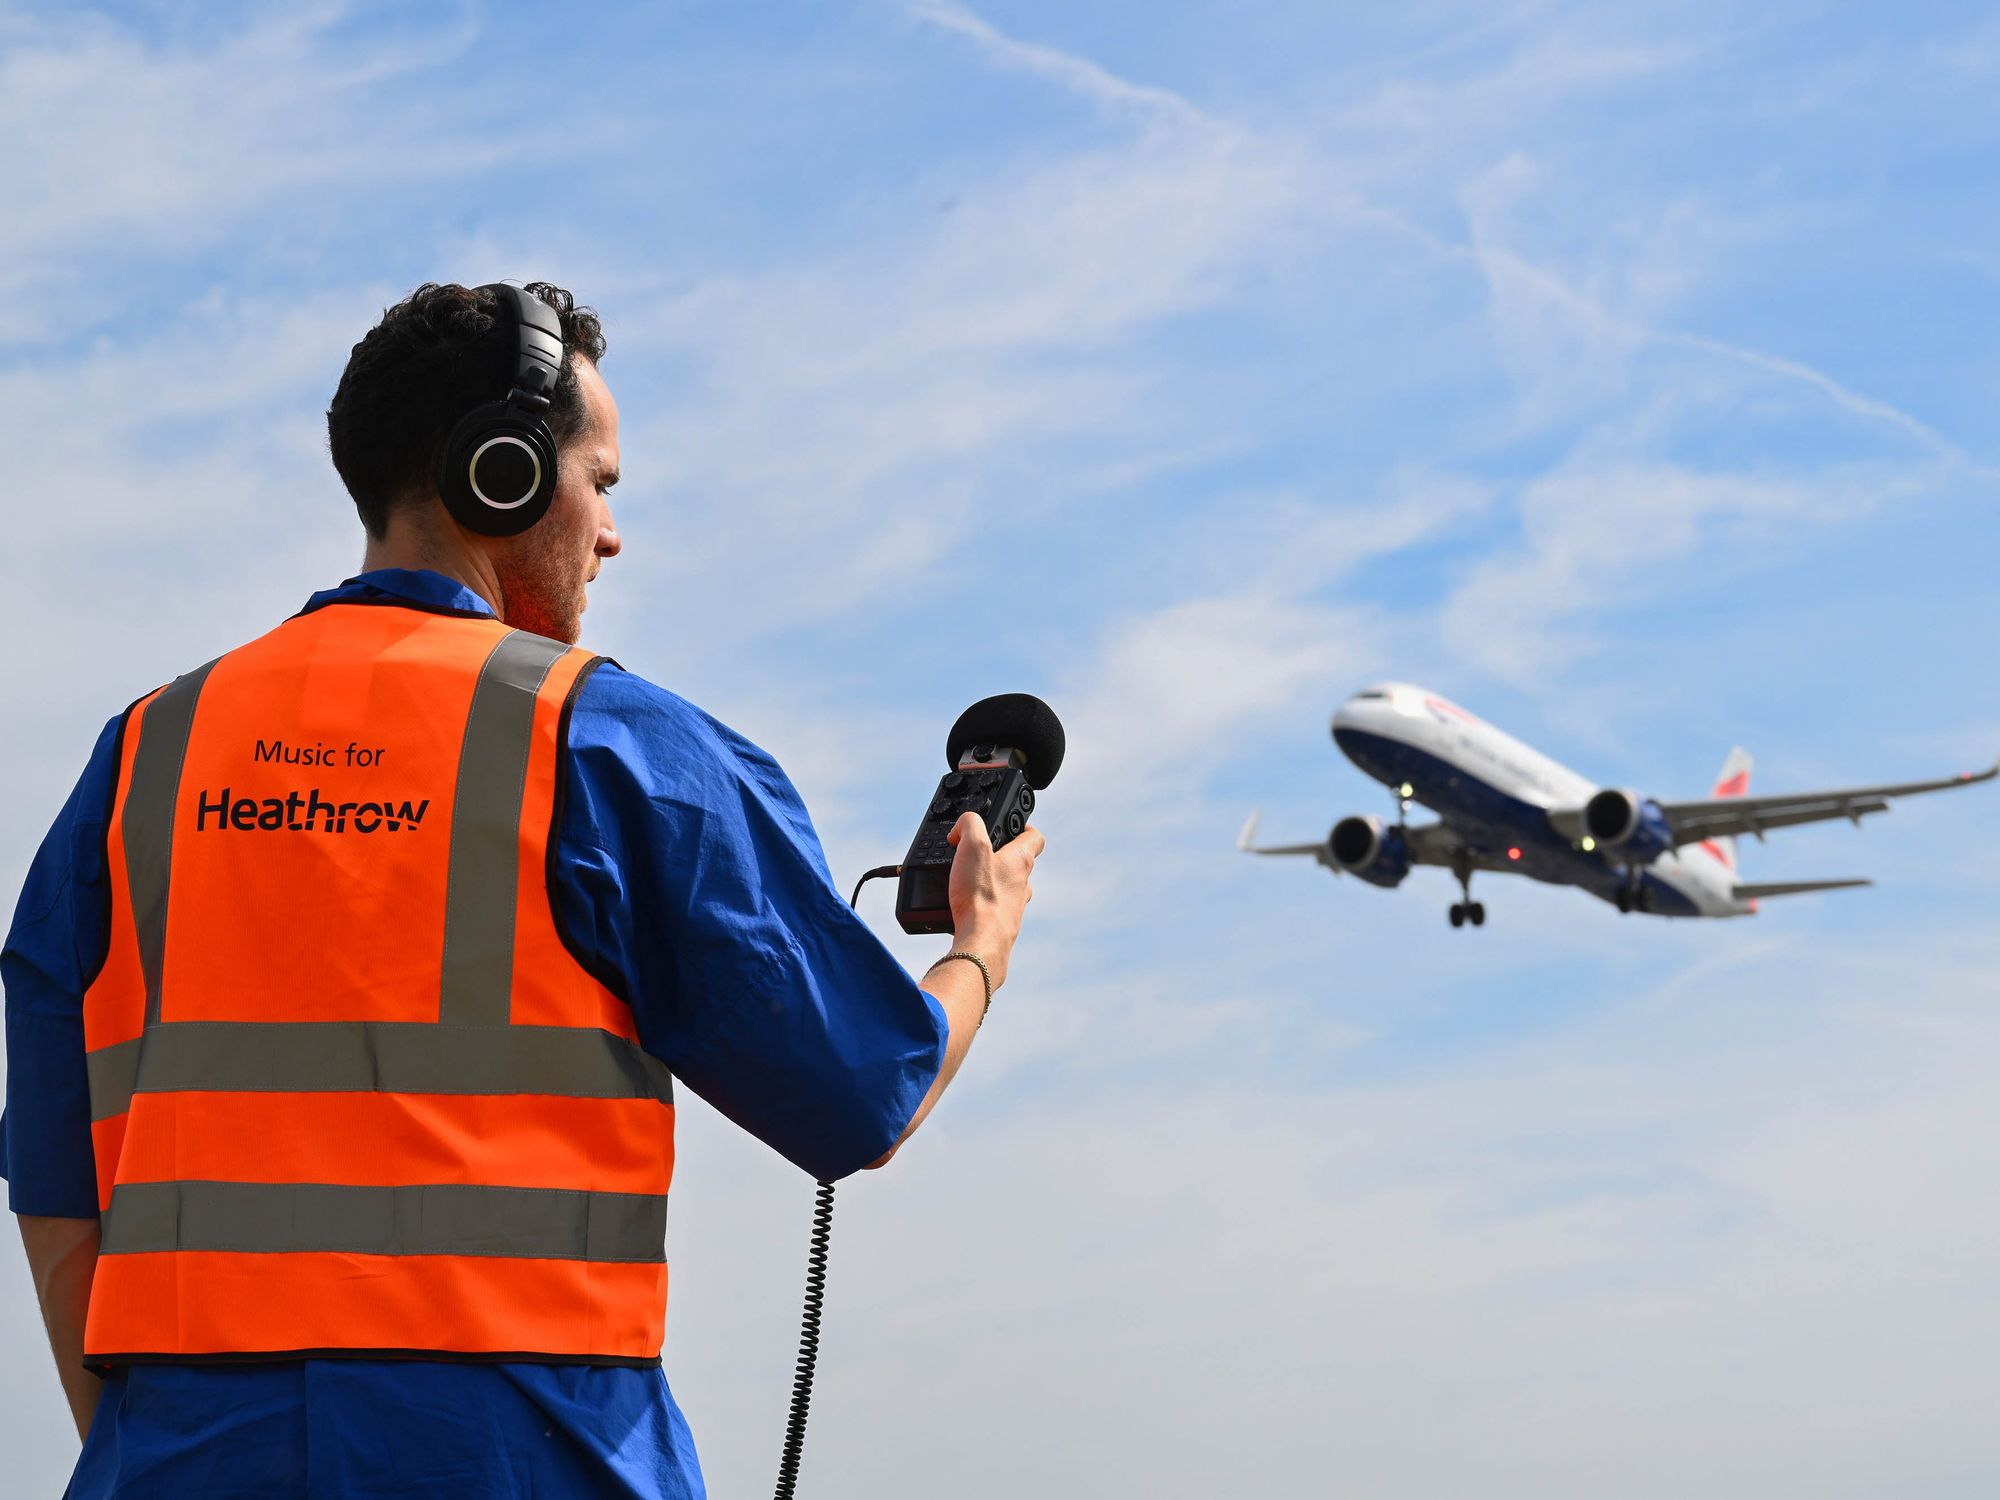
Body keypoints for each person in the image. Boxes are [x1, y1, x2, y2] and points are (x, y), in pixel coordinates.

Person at [1, 280, 1043, 1498]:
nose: (610, 534)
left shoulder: (144, 757)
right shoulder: (607, 747)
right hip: (528, 1458)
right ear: (501, 474)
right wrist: (979, 947)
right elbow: (867, 1091)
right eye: (600, 482)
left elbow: (55, 1192)